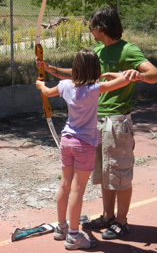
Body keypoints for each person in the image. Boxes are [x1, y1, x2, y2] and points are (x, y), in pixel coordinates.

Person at [36, 7, 157, 241]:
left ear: (100, 28)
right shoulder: (98, 51)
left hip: (116, 121)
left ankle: (121, 222)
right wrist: (50, 69)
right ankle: (107, 216)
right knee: (105, 173)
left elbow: (155, 74)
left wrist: (137, 75)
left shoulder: (128, 49)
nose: (90, 31)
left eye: (91, 27)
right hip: (95, 122)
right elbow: (79, 74)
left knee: (120, 172)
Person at [36, 48, 130, 250]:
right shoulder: (95, 88)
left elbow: (46, 91)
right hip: (84, 145)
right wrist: (115, 74)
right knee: (77, 190)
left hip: (67, 141)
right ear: (96, 69)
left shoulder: (65, 85)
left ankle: (61, 228)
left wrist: (40, 83)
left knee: (65, 185)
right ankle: (73, 236)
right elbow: (124, 80)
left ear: (75, 68)